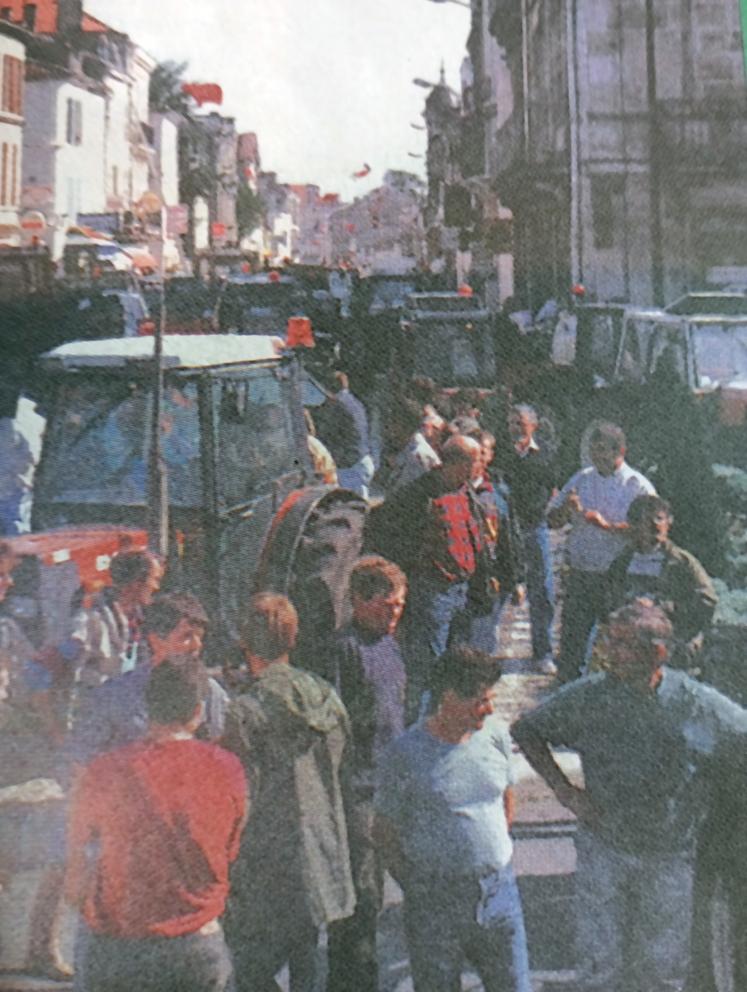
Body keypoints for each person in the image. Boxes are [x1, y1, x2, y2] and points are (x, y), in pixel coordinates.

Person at [511, 598, 747, 992]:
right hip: (605, 848)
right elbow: (527, 730)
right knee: (599, 967)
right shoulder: (589, 696)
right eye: (608, 641)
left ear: (656, 653)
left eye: (620, 644)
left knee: (662, 970)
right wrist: (565, 791)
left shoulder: (694, 703)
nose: (608, 653)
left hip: (669, 856)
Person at [66, 662, 247, 992]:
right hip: (197, 944)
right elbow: (229, 852)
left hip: (117, 948)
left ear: (148, 708)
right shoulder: (227, 769)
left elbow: (75, 880)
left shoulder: (103, 771)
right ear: (198, 712)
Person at [374, 645, 531, 992]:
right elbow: (384, 831)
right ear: (448, 697)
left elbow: (506, 799)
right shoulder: (405, 754)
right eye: (480, 700)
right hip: (435, 902)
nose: (489, 709)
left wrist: (487, 854)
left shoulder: (495, 734)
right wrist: (417, 886)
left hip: (499, 894)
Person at [222, 593, 354, 992]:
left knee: (249, 970)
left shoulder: (243, 711)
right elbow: (342, 764)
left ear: (245, 642)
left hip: (263, 862)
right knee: (308, 962)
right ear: (293, 639)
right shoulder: (326, 697)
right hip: (319, 851)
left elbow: (238, 794)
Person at [325, 556, 407, 992]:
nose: (394, 614)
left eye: (399, 606)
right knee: (360, 898)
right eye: (386, 606)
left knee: (382, 897)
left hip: (391, 787)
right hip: (359, 792)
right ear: (358, 601)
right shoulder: (345, 650)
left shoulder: (392, 647)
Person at [372, 434, 484, 720]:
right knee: (427, 668)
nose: (481, 465)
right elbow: (385, 535)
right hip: (431, 593)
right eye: (476, 460)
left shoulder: (464, 491)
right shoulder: (418, 495)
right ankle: (418, 728)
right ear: (458, 464)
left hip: (461, 592)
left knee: (458, 666)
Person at [0, 541, 69, 978]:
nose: (8, 583)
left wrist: (62, 655)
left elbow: (34, 669)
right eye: (1, 574)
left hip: (9, 748)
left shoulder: (6, 629)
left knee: (60, 839)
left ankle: (42, 948)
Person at [68, 591, 227, 767]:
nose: (197, 646)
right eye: (187, 636)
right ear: (156, 640)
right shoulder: (115, 695)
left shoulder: (211, 693)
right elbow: (81, 759)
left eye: (200, 637)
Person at [547, 422, 655, 682]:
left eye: (603, 451)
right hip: (582, 573)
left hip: (616, 578)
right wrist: (566, 510)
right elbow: (552, 520)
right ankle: (569, 694)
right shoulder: (582, 478)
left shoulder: (637, 485)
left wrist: (608, 526)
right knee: (573, 642)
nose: (597, 457)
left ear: (621, 451)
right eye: (593, 451)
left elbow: (652, 531)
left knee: (621, 641)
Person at [603, 495, 717, 670]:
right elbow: (606, 600)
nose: (654, 525)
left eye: (659, 518)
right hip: (631, 643)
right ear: (633, 524)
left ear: (669, 522)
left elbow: (707, 600)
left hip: (671, 642)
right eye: (646, 519)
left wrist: (662, 608)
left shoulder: (681, 562)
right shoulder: (623, 561)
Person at [503, 404, 558, 674]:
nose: (515, 428)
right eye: (511, 423)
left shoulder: (546, 454)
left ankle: (543, 651)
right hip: (504, 530)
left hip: (534, 528)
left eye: (520, 423)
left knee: (542, 590)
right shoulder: (500, 454)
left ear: (533, 425)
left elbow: (553, 486)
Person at [467, 430, 523, 656]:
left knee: (482, 641)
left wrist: (517, 579)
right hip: (460, 580)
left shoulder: (497, 493)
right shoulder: (450, 488)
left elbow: (510, 537)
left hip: (489, 580)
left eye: (482, 453)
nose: (477, 460)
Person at [315, 370, 374, 498]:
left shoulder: (337, 406)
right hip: (362, 460)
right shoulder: (355, 402)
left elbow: (328, 434)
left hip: (349, 468)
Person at [387, 405, 446, 493]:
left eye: (394, 422)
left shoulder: (420, 454)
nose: (389, 427)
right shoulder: (409, 447)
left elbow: (404, 491)